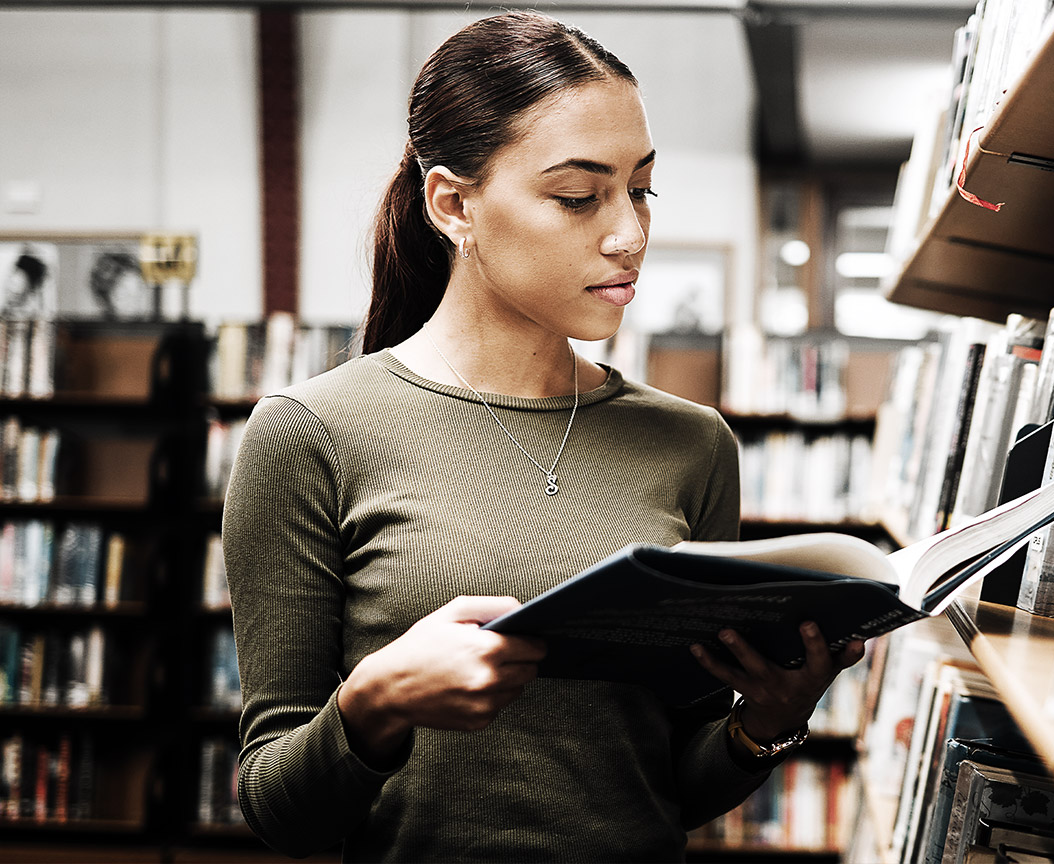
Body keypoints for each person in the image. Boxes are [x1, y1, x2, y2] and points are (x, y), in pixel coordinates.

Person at [222, 10, 865, 862]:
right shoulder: (311, 434)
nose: (630, 234)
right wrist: (372, 706)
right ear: (454, 204)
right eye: (577, 196)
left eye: (641, 188)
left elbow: (671, 785)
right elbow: (278, 809)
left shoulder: (693, 446)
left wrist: (769, 723)